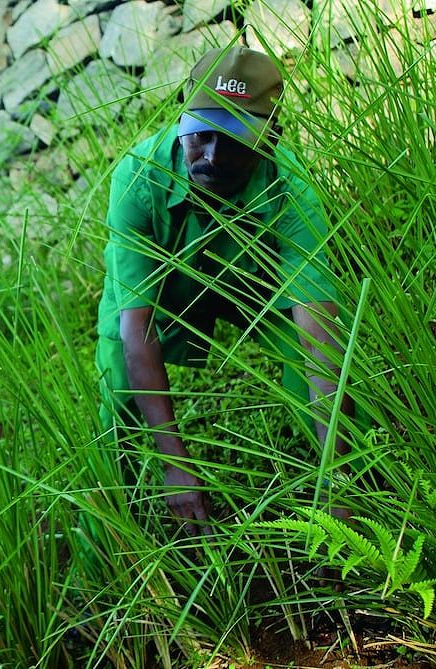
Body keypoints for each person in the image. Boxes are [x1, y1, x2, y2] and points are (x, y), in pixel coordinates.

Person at [95, 45, 354, 536]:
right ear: (183, 117)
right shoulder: (136, 177)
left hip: (253, 287)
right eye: (200, 134)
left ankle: (340, 524)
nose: (209, 156)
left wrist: (338, 480)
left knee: (319, 379)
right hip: (163, 292)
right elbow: (136, 325)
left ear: (268, 141)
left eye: (232, 142)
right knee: (118, 397)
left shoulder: (290, 186)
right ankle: (109, 546)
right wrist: (176, 465)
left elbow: (319, 334)